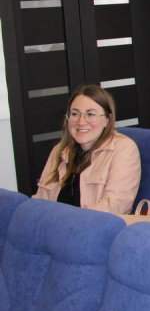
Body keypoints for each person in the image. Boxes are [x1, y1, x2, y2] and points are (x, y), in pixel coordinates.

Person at [33, 85, 140, 214]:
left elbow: (114, 206)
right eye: (75, 114)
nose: (81, 122)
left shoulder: (124, 149)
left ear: (107, 119)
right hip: (57, 224)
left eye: (91, 114)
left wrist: (71, 221)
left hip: (95, 225)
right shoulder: (59, 151)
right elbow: (40, 201)